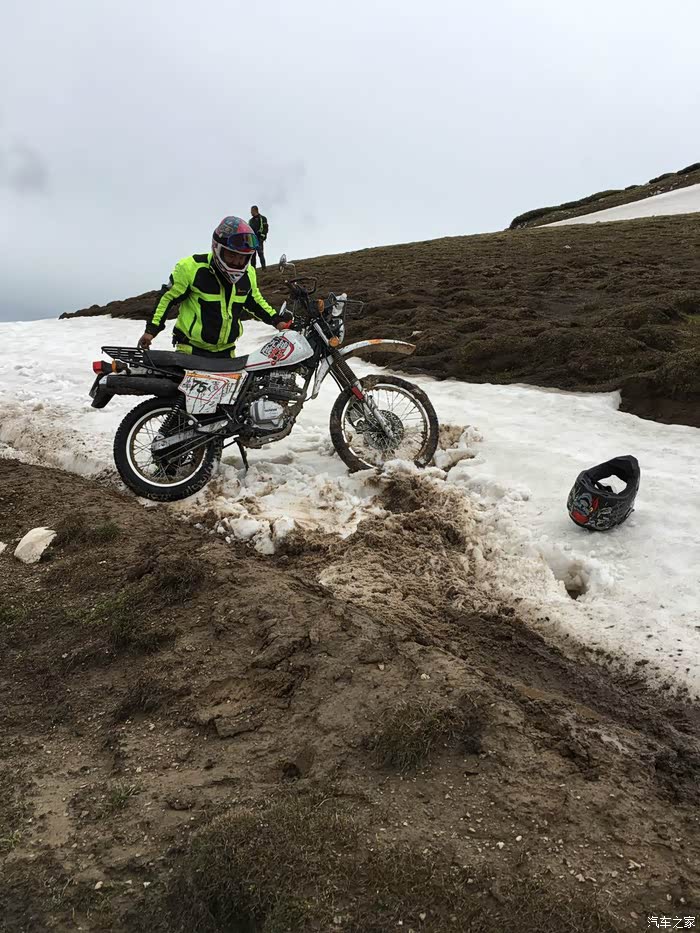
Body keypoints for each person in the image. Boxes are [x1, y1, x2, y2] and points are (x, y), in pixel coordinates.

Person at [137, 216, 290, 358]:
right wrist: (151, 330)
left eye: (242, 257)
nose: (237, 262)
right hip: (190, 351)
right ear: (217, 248)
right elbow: (167, 298)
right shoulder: (191, 268)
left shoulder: (248, 273)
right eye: (232, 255)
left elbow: (256, 302)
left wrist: (277, 321)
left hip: (227, 354)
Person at [248, 205, 268, 269]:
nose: (251, 212)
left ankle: (264, 268)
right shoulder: (250, 221)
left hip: (259, 239)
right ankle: (253, 269)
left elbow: (265, 228)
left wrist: (262, 237)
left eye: (251, 211)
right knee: (252, 255)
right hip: (252, 240)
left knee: (260, 253)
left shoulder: (263, 218)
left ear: (255, 210)